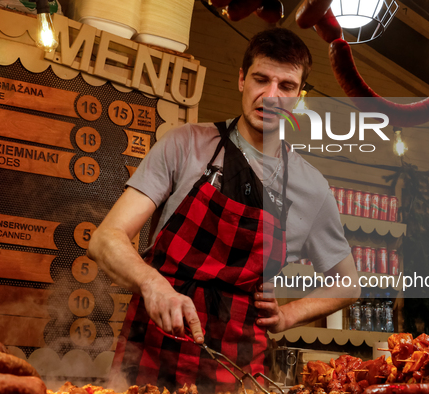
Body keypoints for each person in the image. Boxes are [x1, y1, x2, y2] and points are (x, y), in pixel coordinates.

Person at [87, 28, 359, 392]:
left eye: (286, 86)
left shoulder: (312, 188)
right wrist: (153, 284)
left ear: (299, 97)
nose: (271, 96)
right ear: (242, 80)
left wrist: (289, 314)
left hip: (239, 361)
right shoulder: (186, 145)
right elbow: (106, 237)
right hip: (152, 345)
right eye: (261, 79)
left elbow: (349, 283)